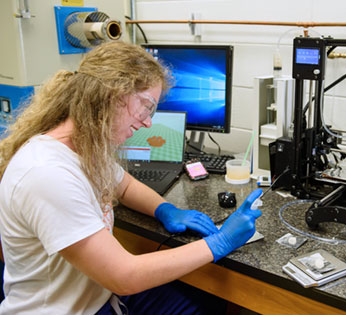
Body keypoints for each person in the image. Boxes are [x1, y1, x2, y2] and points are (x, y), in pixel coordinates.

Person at [0, 41, 262, 314]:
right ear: (109, 95)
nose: (148, 122)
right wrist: (220, 243)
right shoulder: (47, 173)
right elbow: (124, 276)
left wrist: (164, 209)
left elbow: (124, 185)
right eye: (146, 106)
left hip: (97, 296)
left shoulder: (86, 148)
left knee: (207, 302)